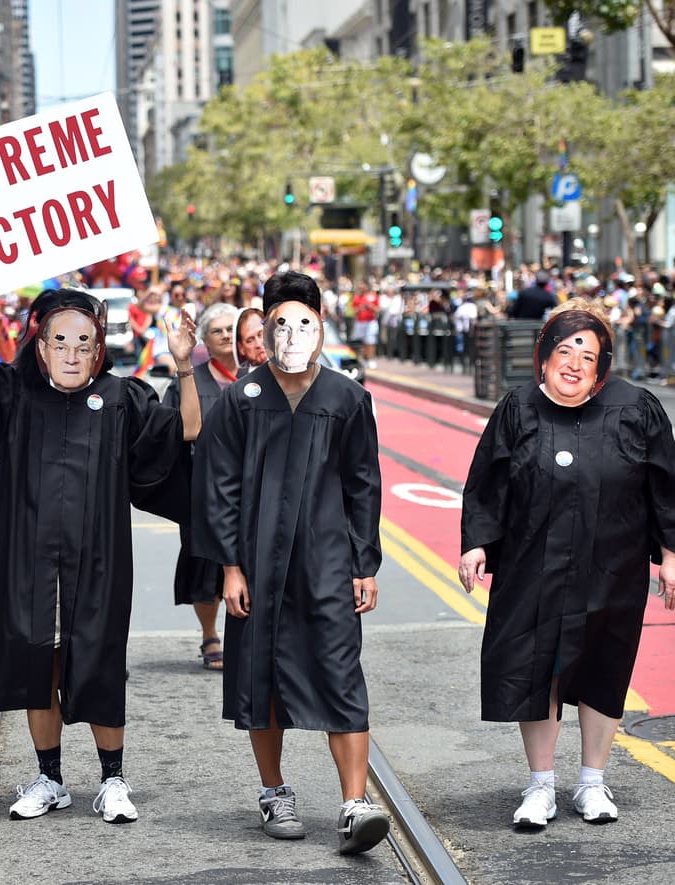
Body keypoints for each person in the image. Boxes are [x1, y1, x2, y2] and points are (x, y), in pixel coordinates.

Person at [0, 274, 200, 826]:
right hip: (26, 560)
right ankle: (50, 778)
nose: (71, 353)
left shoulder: (122, 399)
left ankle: (113, 780)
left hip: (99, 561)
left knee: (98, 663)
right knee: (36, 666)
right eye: (60, 342)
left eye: (84, 344)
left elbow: (189, 429)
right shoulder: (15, 393)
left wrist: (184, 364)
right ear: (40, 348)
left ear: (98, 354)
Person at [459, 300, 675, 829]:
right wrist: (476, 544)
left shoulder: (636, 407)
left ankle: (592, 783)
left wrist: (672, 557)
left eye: (587, 355)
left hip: (613, 566)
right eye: (563, 350)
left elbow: (667, 486)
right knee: (537, 667)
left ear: (603, 364)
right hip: (530, 567)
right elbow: (486, 484)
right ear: (543, 358)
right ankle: (540, 786)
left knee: (603, 668)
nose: (573, 363)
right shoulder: (517, 409)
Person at [192, 271, 391, 854]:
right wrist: (230, 567)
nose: (293, 331)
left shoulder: (347, 398)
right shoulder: (240, 400)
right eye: (281, 320)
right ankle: (275, 791)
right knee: (261, 676)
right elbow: (218, 487)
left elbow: (364, 486)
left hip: (328, 563)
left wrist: (365, 563)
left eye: (304, 320)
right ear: (266, 326)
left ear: (322, 326)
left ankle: (354, 803)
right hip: (255, 565)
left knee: (341, 672)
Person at [162, 302, 241, 671]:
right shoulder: (192, 380)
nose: (226, 335)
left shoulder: (260, 377)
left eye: (231, 329)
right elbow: (174, 433)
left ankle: (248, 635)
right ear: (203, 342)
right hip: (203, 491)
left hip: (250, 490)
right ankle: (210, 633)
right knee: (206, 567)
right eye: (217, 331)